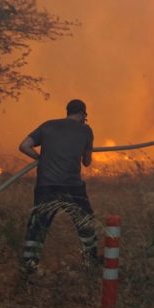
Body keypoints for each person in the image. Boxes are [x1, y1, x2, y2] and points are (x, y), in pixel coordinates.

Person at [17, 99, 97, 277]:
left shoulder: (47, 126)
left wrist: (41, 158)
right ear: (84, 115)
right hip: (72, 186)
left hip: (46, 185)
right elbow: (87, 162)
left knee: (38, 225)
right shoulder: (86, 130)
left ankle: (29, 266)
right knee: (85, 222)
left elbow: (24, 146)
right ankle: (91, 263)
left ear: (67, 112)